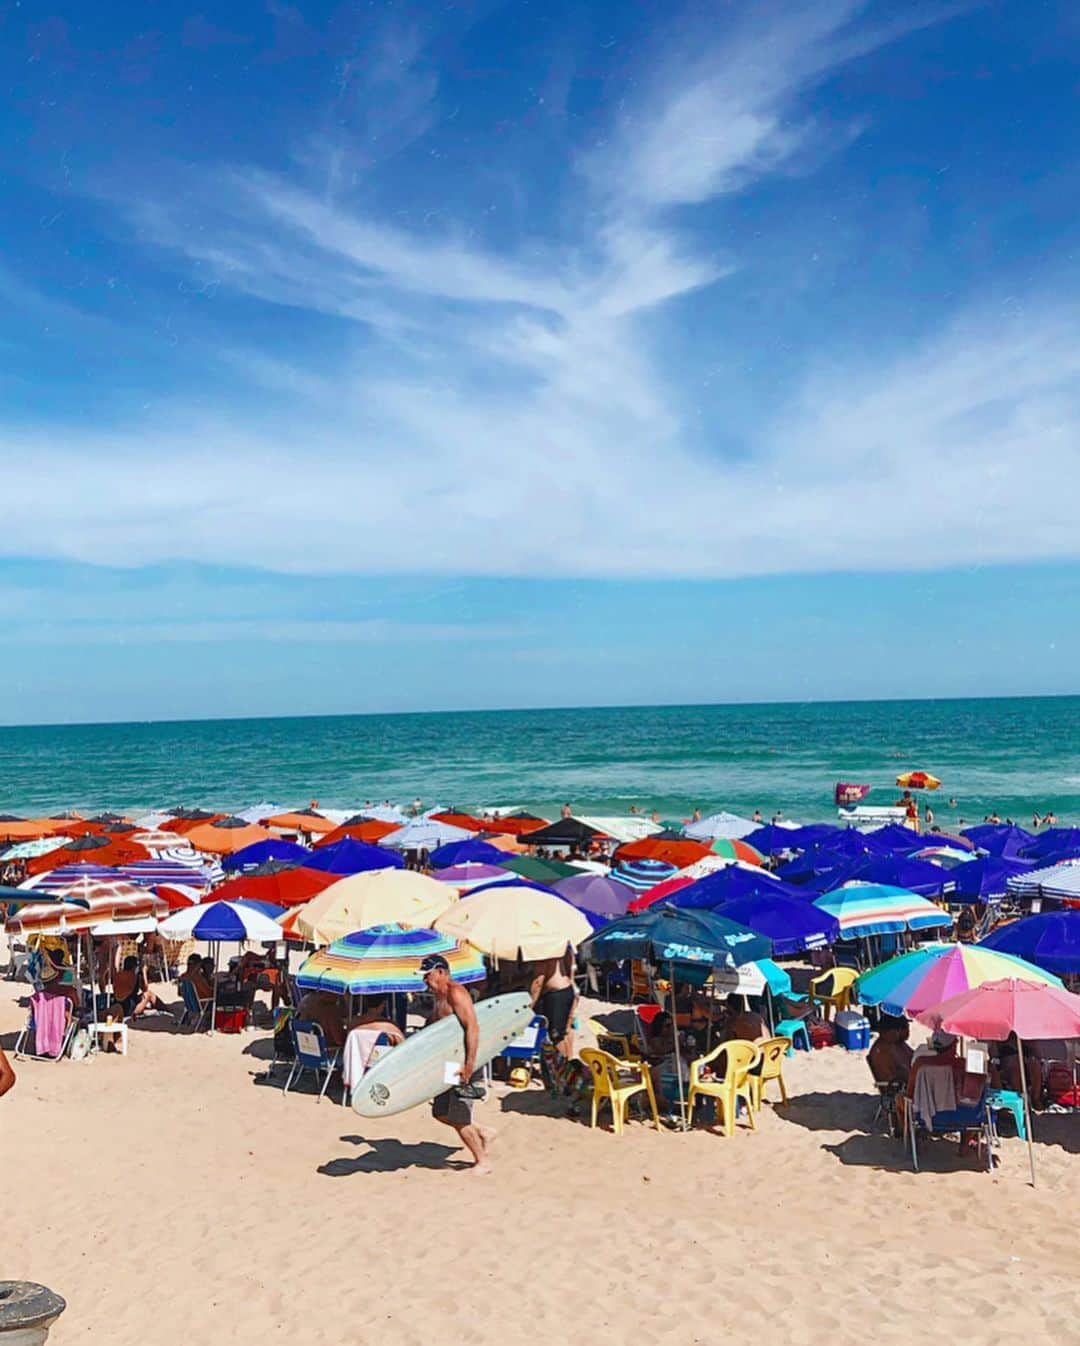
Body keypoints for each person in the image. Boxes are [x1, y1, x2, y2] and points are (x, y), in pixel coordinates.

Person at [420, 954, 496, 1174]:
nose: (425, 980)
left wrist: (469, 1065)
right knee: (440, 1112)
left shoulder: (456, 992)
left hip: (464, 1063)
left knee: (459, 1116)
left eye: (428, 975)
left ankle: (483, 1161)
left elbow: (472, 1028)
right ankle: (482, 1131)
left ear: (441, 972)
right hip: (449, 1064)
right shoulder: (438, 995)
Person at [528, 950, 578, 1059]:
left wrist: (530, 1006)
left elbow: (538, 982)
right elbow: (571, 967)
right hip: (566, 989)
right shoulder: (559, 946)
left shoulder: (544, 951)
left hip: (557, 994)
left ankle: (564, 1069)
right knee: (565, 1031)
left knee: (556, 1036)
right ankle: (569, 1064)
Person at [109, 955, 172, 1019]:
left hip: (117, 1005)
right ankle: (166, 1010)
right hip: (129, 1008)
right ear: (134, 966)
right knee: (149, 994)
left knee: (140, 997)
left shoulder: (118, 975)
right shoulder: (133, 976)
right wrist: (144, 973)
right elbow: (145, 989)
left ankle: (164, 1009)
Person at [868, 1017, 913, 1086]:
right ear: (890, 1031)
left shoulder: (898, 1044)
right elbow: (895, 1076)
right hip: (901, 1088)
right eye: (904, 1027)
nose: (908, 1031)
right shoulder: (882, 1050)